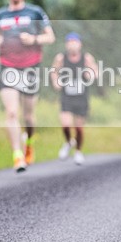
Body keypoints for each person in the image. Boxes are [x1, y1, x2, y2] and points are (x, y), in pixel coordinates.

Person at [0, 0, 55, 172]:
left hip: (30, 67)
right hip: (8, 67)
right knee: (11, 112)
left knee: (29, 116)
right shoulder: (0, 14)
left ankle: (29, 143)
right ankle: (17, 156)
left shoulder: (35, 12)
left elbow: (50, 36)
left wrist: (33, 38)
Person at [50, 32, 98, 164]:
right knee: (65, 125)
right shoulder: (61, 58)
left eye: (75, 42)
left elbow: (95, 71)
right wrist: (56, 81)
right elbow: (54, 71)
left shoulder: (86, 58)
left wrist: (91, 75)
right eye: (70, 42)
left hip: (81, 97)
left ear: (80, 44)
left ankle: (78, 151)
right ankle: (68, 142)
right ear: (66, 45)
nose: (72, 45)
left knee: (79, 128)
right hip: (67, 96)